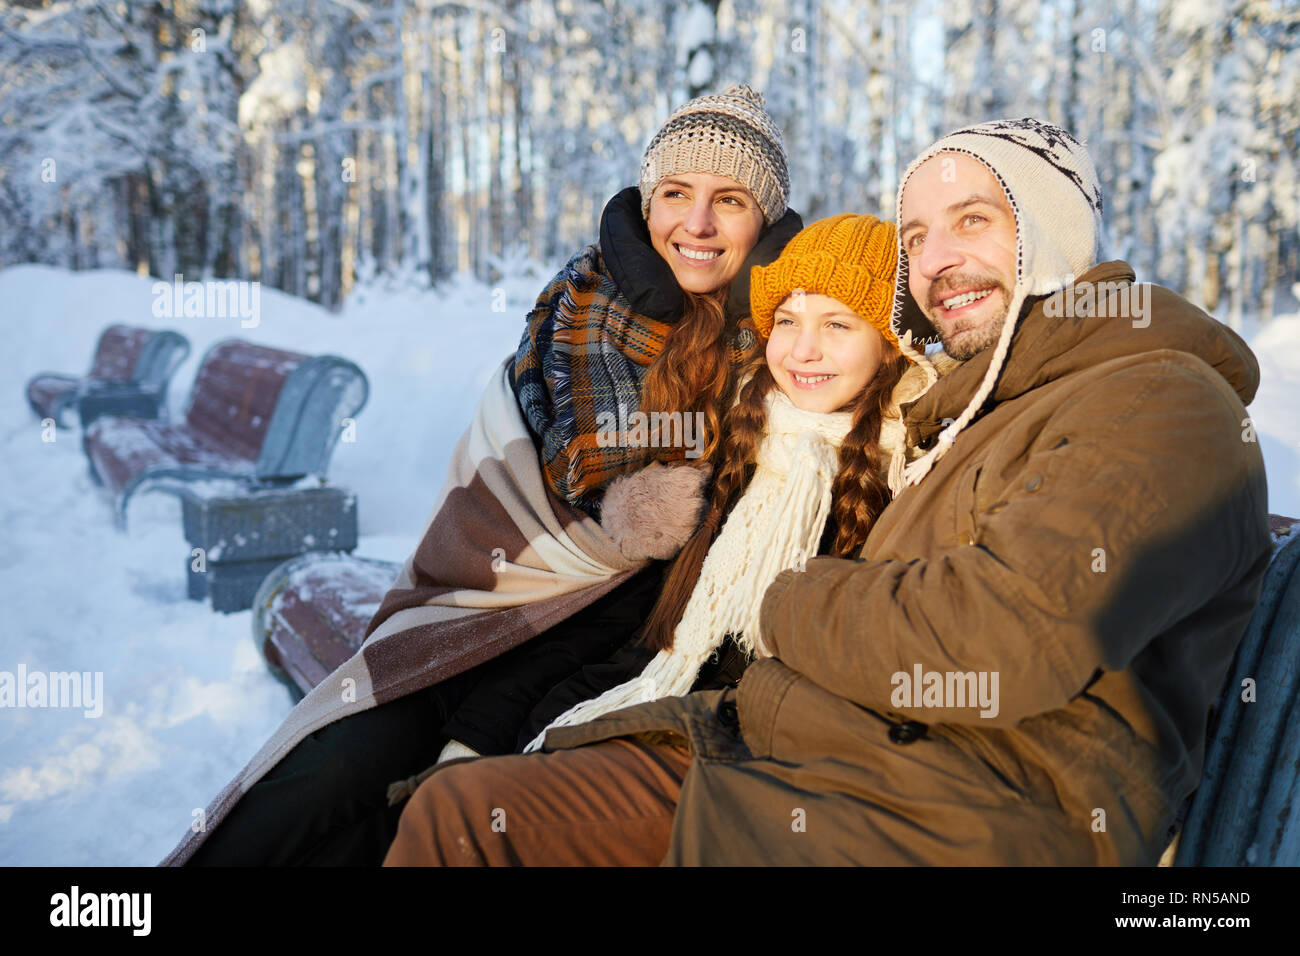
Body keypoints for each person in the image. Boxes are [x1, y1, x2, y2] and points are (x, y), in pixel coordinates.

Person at [381, 118, 1272, 867]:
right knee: (458, 809)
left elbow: (1003, 638)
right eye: (916, 237)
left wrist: (786, 598)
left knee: (466, 824)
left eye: (974, 221)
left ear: (1052, 235)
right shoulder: (970, 410)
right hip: (823, 759)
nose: (940, 260)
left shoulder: (1157, 397)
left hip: (948, 817)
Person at [170, 85, 803, 867]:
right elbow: (504, 486)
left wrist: (482, 732)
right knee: (326, 773)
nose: (697, 224)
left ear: (765, 220)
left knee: (406, 825)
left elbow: (671, 585)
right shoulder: (578, 307)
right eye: (676, 193)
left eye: (730, 200)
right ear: (648, 201)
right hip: (473, 612)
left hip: (589, 667)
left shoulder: (786, 353)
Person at [509, 214, 933, 753]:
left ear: (891, 343)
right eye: (786, 321)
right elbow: (645, 625)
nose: (803, 350)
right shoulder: (743, 436)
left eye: (837, 325)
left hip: (752, 746)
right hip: (664, 690)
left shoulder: (910, 473)